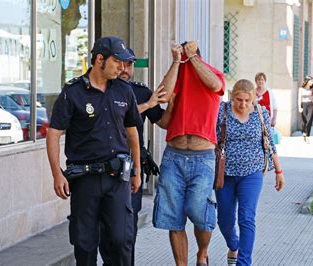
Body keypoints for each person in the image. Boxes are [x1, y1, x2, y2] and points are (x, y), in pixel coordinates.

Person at [46, 36, 142, 266]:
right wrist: (56, 174)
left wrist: (136, 169)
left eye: (124, 63)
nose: (122, 67)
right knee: (84, 243)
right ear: (100, 59)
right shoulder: (73, 92)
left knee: (121, 239)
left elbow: (132, 133)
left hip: (117, 177)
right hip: (84, 179)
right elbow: (54, 133)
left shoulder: (124, 91)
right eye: (117, 61)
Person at [98, 48, 174, 266]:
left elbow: (163, 122)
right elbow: (113, 119)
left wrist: (173, 104)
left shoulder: (140, 91)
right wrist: (147, 105)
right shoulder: (100, 90)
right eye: (121, 63)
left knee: (127, 229)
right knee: (103, 228)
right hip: (101, 168)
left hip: (131, 170)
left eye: (130, 65)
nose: (125, 69)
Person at [152, 41, 225, 266]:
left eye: (188, 56)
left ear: (197, 56)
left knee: (199, 211)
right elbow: (162, 96)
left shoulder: (213, 74)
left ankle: (202, 253)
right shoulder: (177, 76)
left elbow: (215, 86)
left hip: (202, 158)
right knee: (173, 217)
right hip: (173, 156)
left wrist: (192, 58)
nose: (185, 59)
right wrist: (176, 61)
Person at [216, 79, 285, 266]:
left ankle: (243, 262)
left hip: (252, 174)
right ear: (232, 96)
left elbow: (270, 143)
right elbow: (212, 141)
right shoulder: (221, 112)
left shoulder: (261, 113)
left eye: (247, 100)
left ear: (253, 98)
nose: (243, 104)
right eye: (239, 100)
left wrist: (279, 171)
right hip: (225, 174)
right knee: (224, 219)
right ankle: (234, 245)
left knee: (246, 217)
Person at [297, 75, 313, 143]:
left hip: (310, 105)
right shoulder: (301, 89)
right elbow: (299, 98)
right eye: (311, 80)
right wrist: (299, 107)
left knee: (309, 121)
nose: (312, 82)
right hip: (303, 105)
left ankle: (308, 136)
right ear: (307, 81)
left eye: (312, 81)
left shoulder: (312, 89)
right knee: (303, 122)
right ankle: (304, 133)